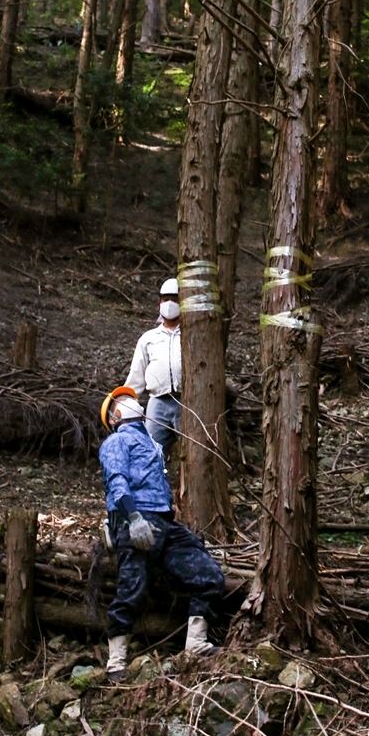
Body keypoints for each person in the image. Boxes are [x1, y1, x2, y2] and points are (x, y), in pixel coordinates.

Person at [98, 385, 225, 680]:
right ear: (113, 418)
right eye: (120, 402)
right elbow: (116, 481)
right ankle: (116, 662)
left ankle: (196, 644)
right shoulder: (116, 442)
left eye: (129, 398)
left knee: (208, 574)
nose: (129, 402)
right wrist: (132, 517)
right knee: (132, 589)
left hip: (165, 525)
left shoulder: (154, 445)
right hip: (136, 521)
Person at [125, 278, 181, 459]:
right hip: (157, 402)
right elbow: (136, 375)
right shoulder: (148, 338)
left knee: (193, 452)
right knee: (151, 454)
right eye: (166, 299)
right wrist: (124, 402)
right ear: (159, 305)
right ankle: (154, 486)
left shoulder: (192, 335)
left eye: (175, 298)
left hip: (187, 402)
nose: (170, 303)